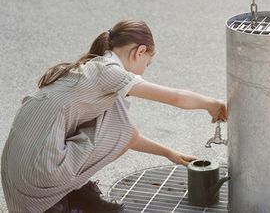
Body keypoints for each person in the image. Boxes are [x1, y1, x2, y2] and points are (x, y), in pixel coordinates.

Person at [1, 19, 227, 213]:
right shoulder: (110, 72)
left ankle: (74, 194)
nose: (144, 70)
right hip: (40, 171)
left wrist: (169, 153)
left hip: (17, 167)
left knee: (114, 114)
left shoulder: (91, 67)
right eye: (147, 63)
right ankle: (73, 199)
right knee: (116, 115)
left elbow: (125, 134)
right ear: (139, 52)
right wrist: (213, 104)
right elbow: (175, 98)